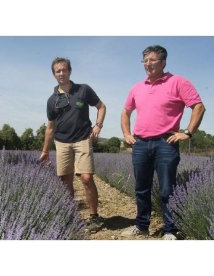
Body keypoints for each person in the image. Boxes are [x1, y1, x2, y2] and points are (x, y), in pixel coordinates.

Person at [121, 45, 205, 240]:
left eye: (152, 60)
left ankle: (170, 230)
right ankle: (141, 226)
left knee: (168, 189)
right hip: (140, 144)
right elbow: (126, 111)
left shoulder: (178, 82)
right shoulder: (137, 87)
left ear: (163, 62)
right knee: (141, 188)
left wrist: (188, 133)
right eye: (145, 61)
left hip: (165, 143)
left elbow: (198, 106)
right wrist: (126, 133)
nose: (148, 64)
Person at [39, 57, 107, 233]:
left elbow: (101, 106)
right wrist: (45, 151)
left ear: (70, 71)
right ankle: (71, 216)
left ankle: (94, 217)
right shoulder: (51, 100)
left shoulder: (83, 90)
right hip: (61, 142)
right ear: (54, 75)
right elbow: (50, 127)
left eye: (64, 70)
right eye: (57, 71)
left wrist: (98, 125)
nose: (61, 73)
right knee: (65, 180)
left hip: (83, 139)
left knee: (85, 177)